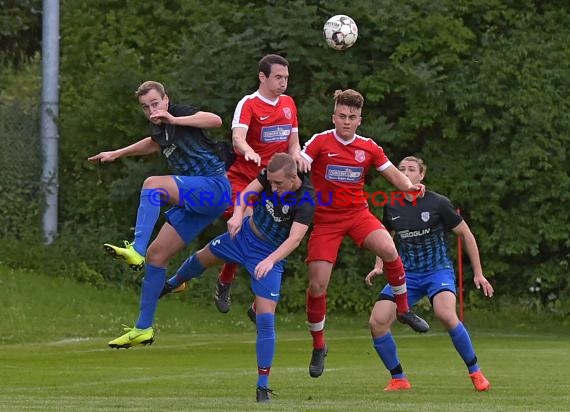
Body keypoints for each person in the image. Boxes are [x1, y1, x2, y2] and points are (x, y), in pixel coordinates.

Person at [295, 89, 430, 379]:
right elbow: (301, 157)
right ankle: (319, 346)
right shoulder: (320, 141)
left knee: (389, 249)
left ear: (359, 120)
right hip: (326, 220)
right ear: (334, 117)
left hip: (357, 214)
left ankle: (403, 310)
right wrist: (301, 161)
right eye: (341, 116)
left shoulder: (368, 147)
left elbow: (393, 174)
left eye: (352, 117)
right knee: (318, 286)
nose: (346, 121)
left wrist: (409, 187)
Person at [161, 153, 316, 403]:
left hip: (268, 255)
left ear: (293, 177)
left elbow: (295, 239)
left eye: (278, 184)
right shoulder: (271, 174)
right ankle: (172, 284)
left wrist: (270, 260)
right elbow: (246, 194)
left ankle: (262, 387)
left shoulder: (306, 199)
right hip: (244, 236)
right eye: (271, 183)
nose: (273, 187)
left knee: (266, 320)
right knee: (202, 258)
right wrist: (236, 214)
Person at [88, 81, 231, 347]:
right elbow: (152, 144)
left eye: (155, 103)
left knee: (152, 184)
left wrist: (174, 117)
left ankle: (136, 249)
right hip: (196, 202)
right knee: (158, 256)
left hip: (214, 188)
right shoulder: (160, 130)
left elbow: (215, 120)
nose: (151, 110)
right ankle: (143, 328)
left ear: (166, 99)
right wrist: (118, 153)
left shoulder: (179, 113)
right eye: (145, 107)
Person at [168, 54, 306, 313]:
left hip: (275, 186)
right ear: (262, 77)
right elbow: (237, 139)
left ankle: (257, 304)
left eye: (286, 77)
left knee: (270, 240)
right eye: (278, 77)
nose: (283, 82)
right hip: (244, 180)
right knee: (245, 229)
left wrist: (296, 153)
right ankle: (224, 281)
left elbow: (293, 142)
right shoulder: (249, 104)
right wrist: (249, 151)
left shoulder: (289, 104)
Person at [366, 156, 494, 392]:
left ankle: (475, 372)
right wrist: (380, 266)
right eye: (401, 168)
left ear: (421, 175)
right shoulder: (392, 206)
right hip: (407, 276)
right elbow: (386, 238)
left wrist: (478, 273)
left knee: (444, 313)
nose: (405, 172)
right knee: (377, 321)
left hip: (437, 271)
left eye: (411, 169)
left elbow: (465, 234)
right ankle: (399, 379)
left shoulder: (438, 203)